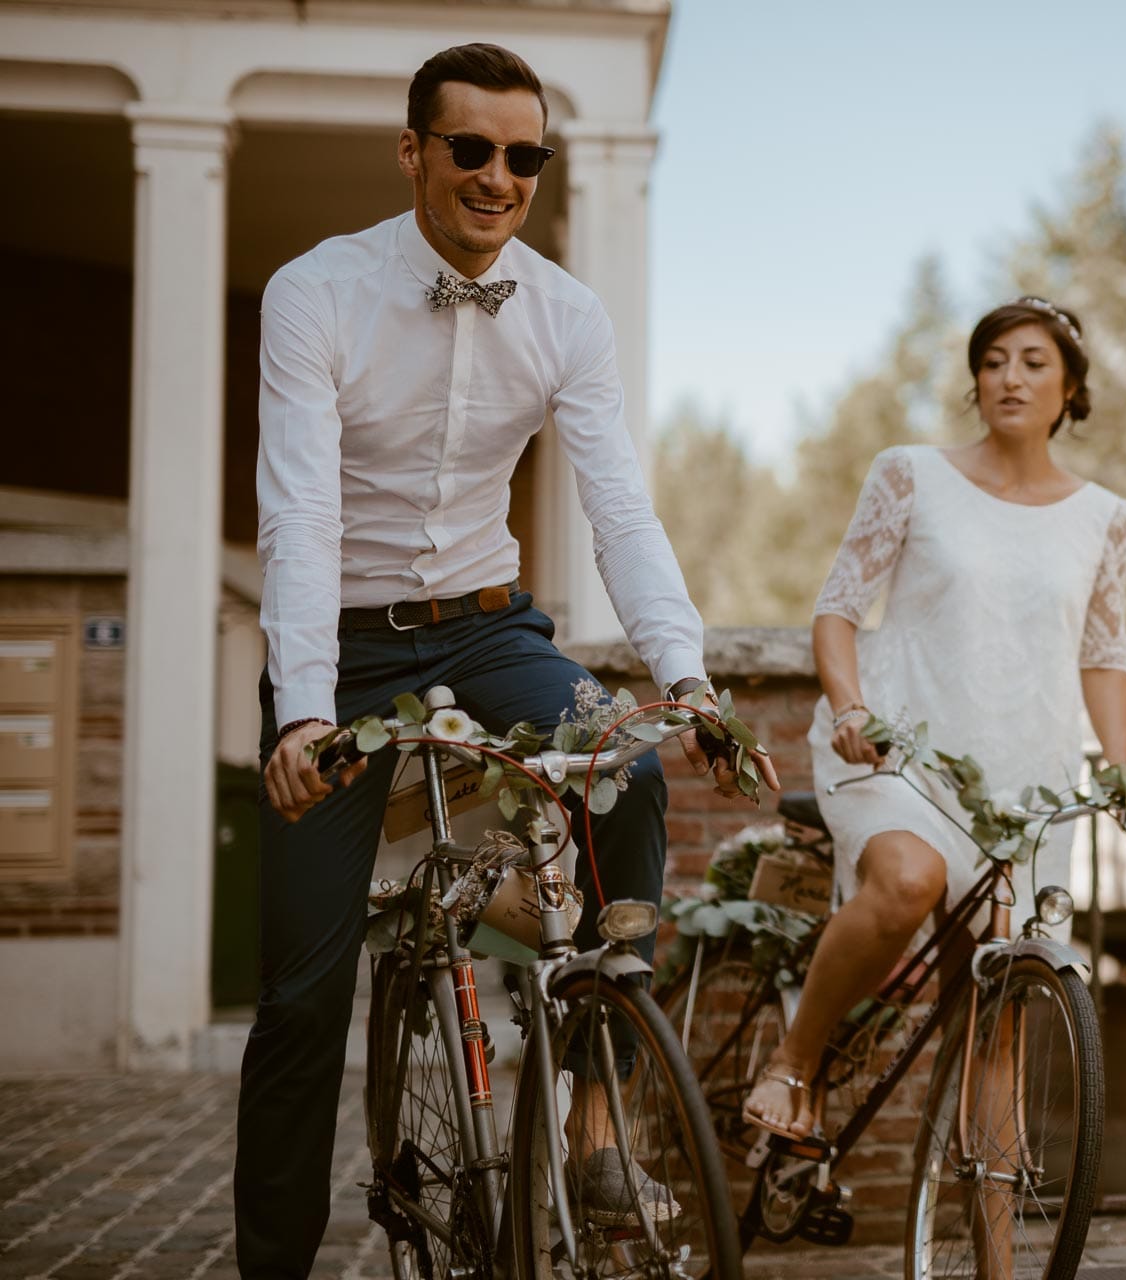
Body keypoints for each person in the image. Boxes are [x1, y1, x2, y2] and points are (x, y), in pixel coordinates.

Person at [234, 43, 775, 1279]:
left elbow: (619, 511)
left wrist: (683, 676)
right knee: (302, 998)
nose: (497, 176)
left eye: (522, 155)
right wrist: (304, 708)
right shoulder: (315, 291)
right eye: (469, 148)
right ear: (413, 150)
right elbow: (298, 518)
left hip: (487, 625)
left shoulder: (567, 312)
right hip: (349, 651)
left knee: (625, 770)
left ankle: (592, 1114)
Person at [743, 295, 1126, 1141]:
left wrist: (1124, 768)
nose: (1009, 377)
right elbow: (837, 609)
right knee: (908, 882)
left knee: (996, 1023)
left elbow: (1104, 654)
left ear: (1071, 389)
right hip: (900, 754)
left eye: (1033, 362)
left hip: (1024, 787)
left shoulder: (1104, 518)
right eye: (993, 360)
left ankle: (992, 1258)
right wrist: (850, 707)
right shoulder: (910, 473)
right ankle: (796, 1062)